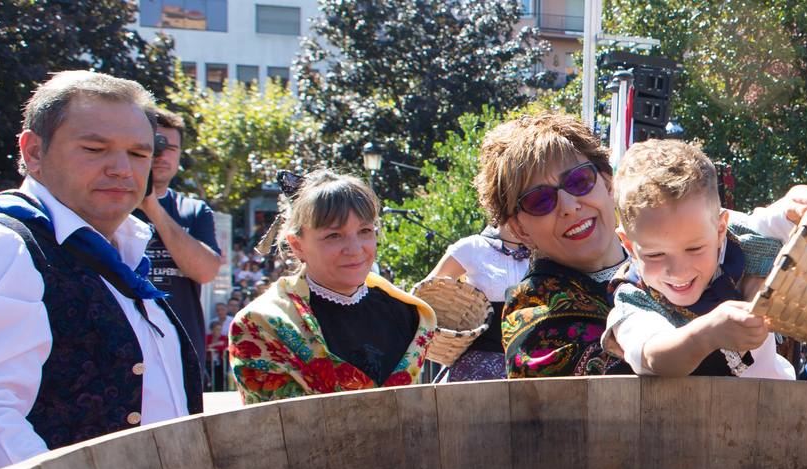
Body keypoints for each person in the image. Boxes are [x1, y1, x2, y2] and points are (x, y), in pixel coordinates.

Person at [0, 71, 203, 469]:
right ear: (34, 151)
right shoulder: (5, 246)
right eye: (94, 148)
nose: (122, 169)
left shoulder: (123, 251)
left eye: (139, 154)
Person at [228, 171, 435, 402]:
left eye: (365, 231)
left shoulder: (407, 312)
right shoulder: (263, 323)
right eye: (334, 235)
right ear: (297, 245)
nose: (355, 248)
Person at [601, 139, 794, 379]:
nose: (678, 270)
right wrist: (708, 333)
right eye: (655, 254)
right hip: (687, 414)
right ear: (629, 245)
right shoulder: (635, 299)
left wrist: (804, 198)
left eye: (694, 249)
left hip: (775, 406)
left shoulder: (739, 245)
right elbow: (655, 357)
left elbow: (784, 216)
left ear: (720, 230)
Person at [480, 114, 630, 379]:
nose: (570, 208)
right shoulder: (531, 309)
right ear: (520, 229)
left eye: (579, 181)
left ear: (608, 183)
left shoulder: (681, 259)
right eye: (540, 200)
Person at [132, 107, 221, 342]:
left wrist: (152, 207)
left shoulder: (194, 210)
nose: (161, 155)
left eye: (169, 148)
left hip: (183, 345)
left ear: (179, 155)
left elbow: (206, 271)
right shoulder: (109, 207)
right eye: (153, 146)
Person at [423, 225, 531, 381]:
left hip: (529, 366)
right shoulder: (472, 247)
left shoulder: (544, 251)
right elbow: (425, 294)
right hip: (476, 369)